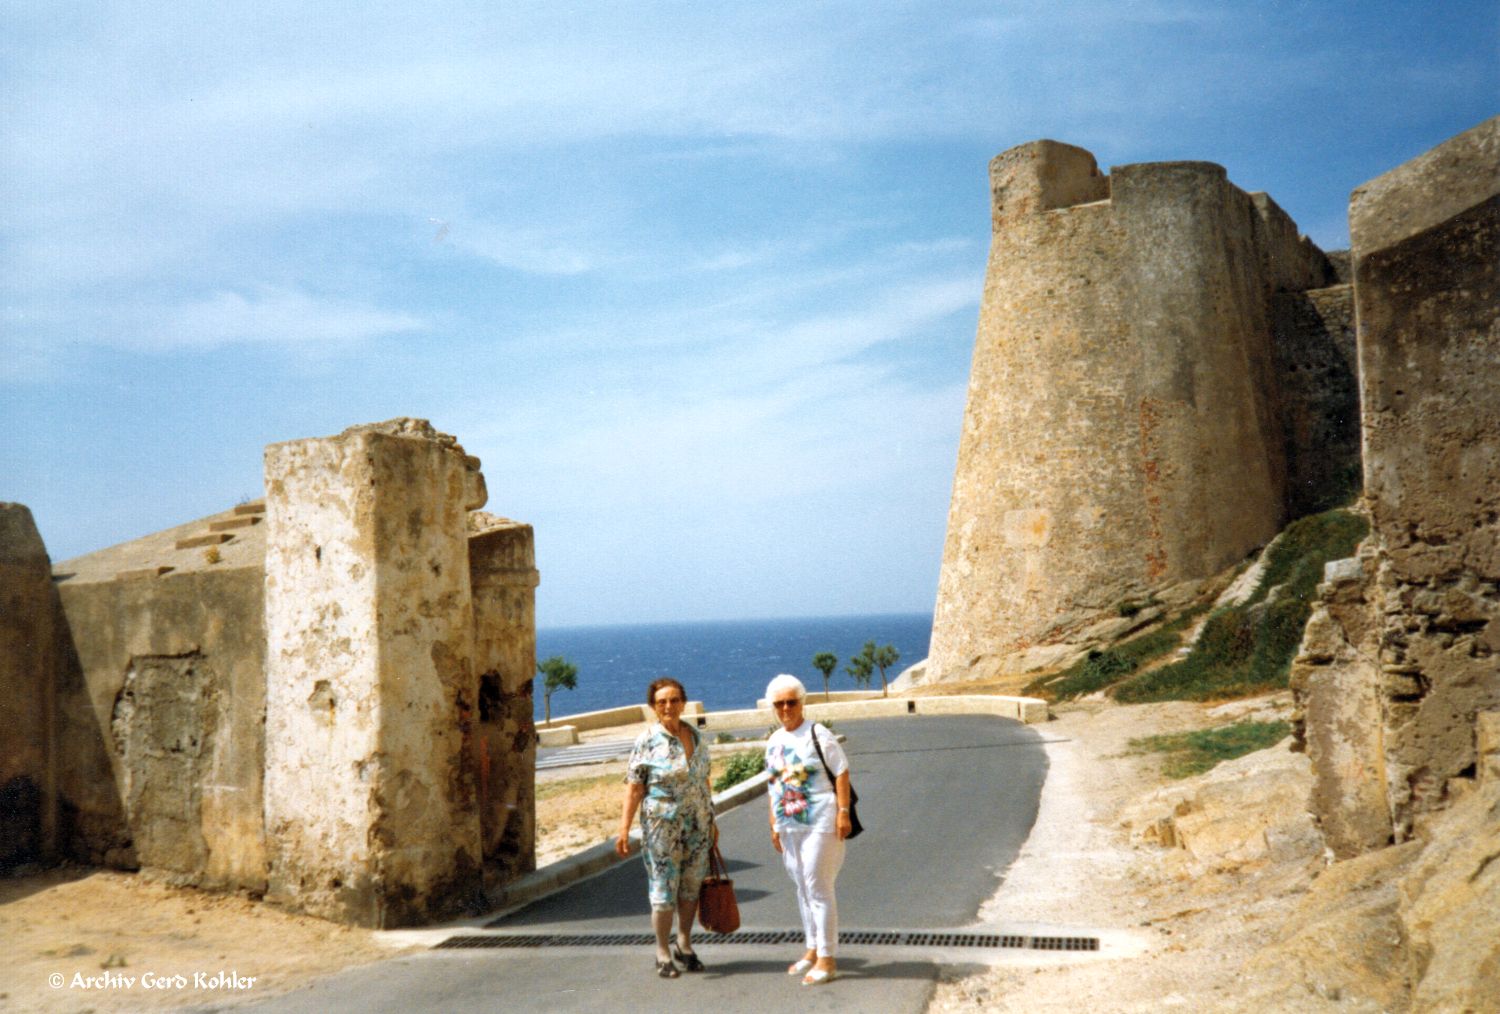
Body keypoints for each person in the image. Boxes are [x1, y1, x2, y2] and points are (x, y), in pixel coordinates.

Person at [616, 677, 716, 978]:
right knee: (663, 889)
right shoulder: (647, 740)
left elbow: (704, 782)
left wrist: (712, 820)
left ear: (683, 703)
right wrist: (624, 830)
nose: (668, 706)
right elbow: (634, 788)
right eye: (662, 702)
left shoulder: (697, 737)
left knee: (691, 885)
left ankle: (683, 943)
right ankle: (662, 950)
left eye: (674, 700)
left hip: (697, 824)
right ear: (653, 707)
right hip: (662, 827)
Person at [764, 673, 852, 986]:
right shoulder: (774, 740)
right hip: (789, 824)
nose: (786, 708)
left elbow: (841, 773)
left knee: (818, 886)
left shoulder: (817, 733)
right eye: (780, 703)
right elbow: (773, 785)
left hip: (820, 820)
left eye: (791, 701)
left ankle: (828, 959)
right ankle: (812, 949)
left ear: (802, 702)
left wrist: (843, 812)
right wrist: (773, 823)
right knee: (801, 886)